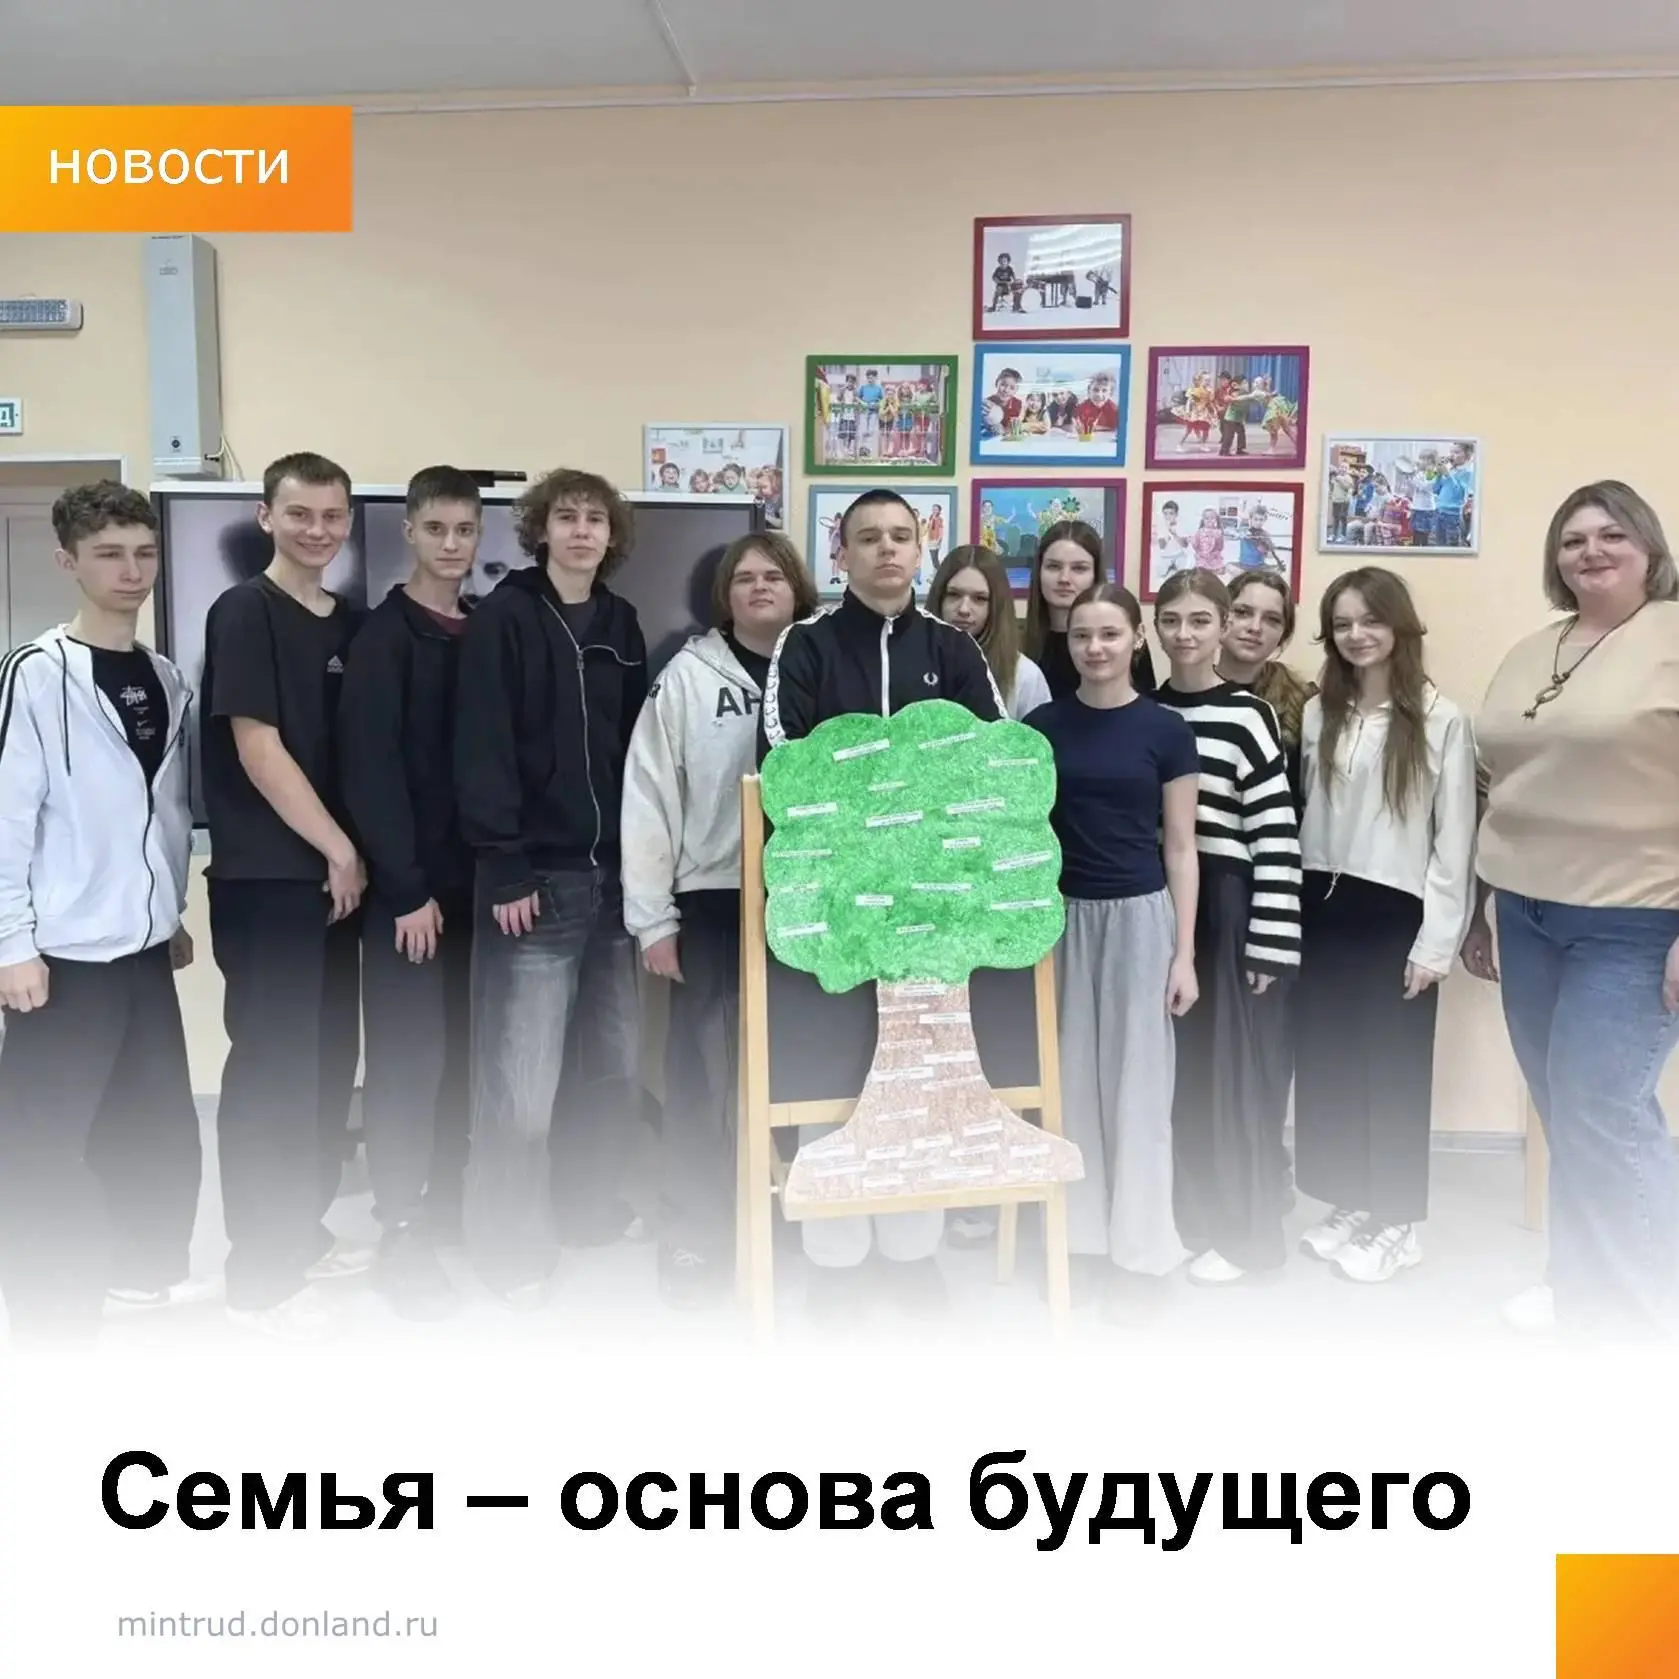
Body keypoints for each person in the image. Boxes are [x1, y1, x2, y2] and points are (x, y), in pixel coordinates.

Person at [759, 488, 1004, 1321]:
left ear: (920, 547)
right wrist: (885, 811)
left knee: (919, 1076)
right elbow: (786, 764)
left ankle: (910, 1252)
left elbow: (989, 761)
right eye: (868, 537)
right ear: (841, 552)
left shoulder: (953, 647)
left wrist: (912, 826)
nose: (886, 550)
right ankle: (833, 1257)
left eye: (901, 535)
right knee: (830, 1077)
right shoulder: (806, 643)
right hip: (834, 906)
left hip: (932, 910)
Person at [1464, 481, 1679, 1338]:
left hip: (1634, 917)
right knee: (1568, 1109)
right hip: (1524, 908)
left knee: (1605, 1115)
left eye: (1610, 535)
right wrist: (1482, 900)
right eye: (1571, 539)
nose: (1589, 550)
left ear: (1648, 549)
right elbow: (1499, 781)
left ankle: (1637, 1321)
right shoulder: (1533, 649)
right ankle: (1577, 1284)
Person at [0, 483, 205, 1344]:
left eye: (144, 552)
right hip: (62, 956)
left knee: (154, 1126)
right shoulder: (36, 674)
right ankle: (49, 1310)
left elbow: (163, 814)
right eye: (109, 554)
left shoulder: (166, 677)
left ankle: (137, 1277)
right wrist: (11, 945)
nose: (132, 571)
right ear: (68, 561)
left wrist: (172, 909)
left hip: (145, 949)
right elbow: (7, 820)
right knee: (46, 1139)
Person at [453, 467, 648, 1309]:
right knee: (520, 1088)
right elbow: (481, 744)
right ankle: (506, 1247)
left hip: (614, 886)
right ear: (540, 530)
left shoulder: (622, 622)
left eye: (594, 519)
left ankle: (587, 1210)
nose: (580, 531)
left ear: (611, 535)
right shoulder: (504, 618)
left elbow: (640, 752)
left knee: (613, 1071)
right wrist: (503, 863)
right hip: (531, 885)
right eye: (565, 517)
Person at [622, 532, 817, 1309]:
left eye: (773, 576)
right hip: (712, 895)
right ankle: (695, 1232)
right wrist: (652, 918)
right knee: (703, 1073)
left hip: (810, 898)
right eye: (744, 578)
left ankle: (796, 1222)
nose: (759, 587)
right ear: (725, 594)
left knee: (804, 1068)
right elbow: (649, 792)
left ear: (797, 587)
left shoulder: (819, 665)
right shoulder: (687, 676)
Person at [201, 452, 369, 1341]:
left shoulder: (351, 621)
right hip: (270, 881)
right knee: (272, 1073)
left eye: (332, 515)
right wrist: (337, 847)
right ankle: (257, 1276)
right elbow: (258, 748)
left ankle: (298, 1236)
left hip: (338, 889)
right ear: (266, 516)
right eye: (299, 513)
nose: (317, 530)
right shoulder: (244, 611)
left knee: (325, 1068)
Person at [1294, 569, 1477, 1283]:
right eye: (1342, 623)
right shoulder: (1321, 713)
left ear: (1399, 626)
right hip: (1324, 905)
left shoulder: (1439, 718)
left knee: (1391, 1070)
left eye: (1370, 620)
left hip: (1395, 912)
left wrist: (1436, 944)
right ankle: (1351, 1198)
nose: (1356, 635)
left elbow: (1453, 840)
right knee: (1333, 1063)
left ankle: (1397, 1220)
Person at [1025, 584, 1200, 1315]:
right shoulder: (1040, 727)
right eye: (1080, 636)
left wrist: (1184, 954)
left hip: (1139, 919)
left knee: (1139, 1089)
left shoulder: (1166, 730)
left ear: (1135, 639)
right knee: (1068, 1086)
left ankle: (1140, 1249)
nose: (1094, 648)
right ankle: (1078, 1244)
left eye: (1109, 634)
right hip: (1060, 921)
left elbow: (1181, 847)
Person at [338, 465, 483, 1322]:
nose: (451, 544)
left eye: (465, 529)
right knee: (407, 1063)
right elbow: (369, 772)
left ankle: (449, 1206)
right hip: (410, 900)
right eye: (436, 529)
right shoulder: (382, 638)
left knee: (464, 1059)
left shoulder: (486, 629)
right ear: (409, 532)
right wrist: (403, 889)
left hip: (480, 895)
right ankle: (400, 1228)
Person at [1154, 571, 1302, 1286]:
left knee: (1232, 1078)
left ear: (1220, 628)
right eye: (1171, 620)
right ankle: (1189, 1217)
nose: (1184, 634)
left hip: (1228, 902)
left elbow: (1274, 833)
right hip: (1161, 902)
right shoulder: (1146, 709)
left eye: (1199, 620)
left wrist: (1269, 940)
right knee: (1177, 1078)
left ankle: (1247, 1238)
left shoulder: (1248, 715)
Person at [1022, 519, 1157, 701]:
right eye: (1053, 566)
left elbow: (1145, 709)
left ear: (1095, 575)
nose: (1064, 578)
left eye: (1079, 568)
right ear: (1039, 572)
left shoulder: (1123, 641)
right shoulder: (1015, 642)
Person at [1219, 570, 1318, 805]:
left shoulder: (1305, 703)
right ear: (1220, 618)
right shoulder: (1189, 693)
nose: (1255, 627)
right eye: (1242, 612)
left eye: (1272, 619)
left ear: (1283, 634)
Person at [928, 545, 1051, 721]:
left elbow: (1038, 739)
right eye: (954, 594)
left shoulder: (1024, 675)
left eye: (979, 598)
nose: (964, 609)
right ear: (939, 597)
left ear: (995, 606)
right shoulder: (910, 661)